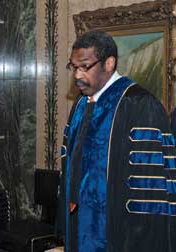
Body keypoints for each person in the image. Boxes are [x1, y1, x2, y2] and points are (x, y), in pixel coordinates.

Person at [57, 31, 176, 252]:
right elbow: (69, 168)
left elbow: (150, 190)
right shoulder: (81, 105)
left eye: (85, 66)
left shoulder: (140, 105)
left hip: (120, 238)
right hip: (77, 230)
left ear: (109, 63)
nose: (77, 75)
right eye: (74, 67)